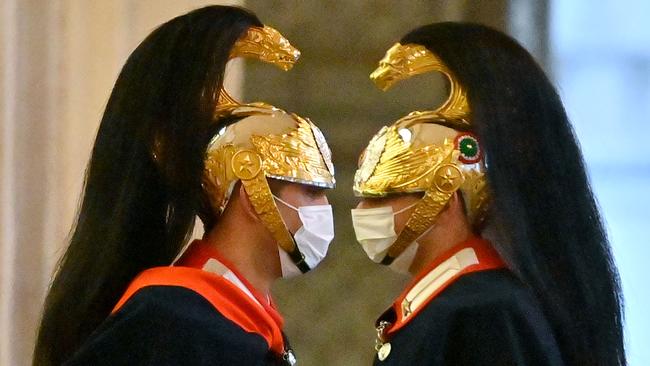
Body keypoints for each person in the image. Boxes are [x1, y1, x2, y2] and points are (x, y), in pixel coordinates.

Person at [33, 5, 335, 366]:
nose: (324, 209)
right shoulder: (172, 320)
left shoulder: (243, 322)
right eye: (312, 192)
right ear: (252, 197)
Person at [351, 22, 625, 365]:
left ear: (445, 200)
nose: (363, 210)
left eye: (384, 197)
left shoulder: (486, 308)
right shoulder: (448, 299)